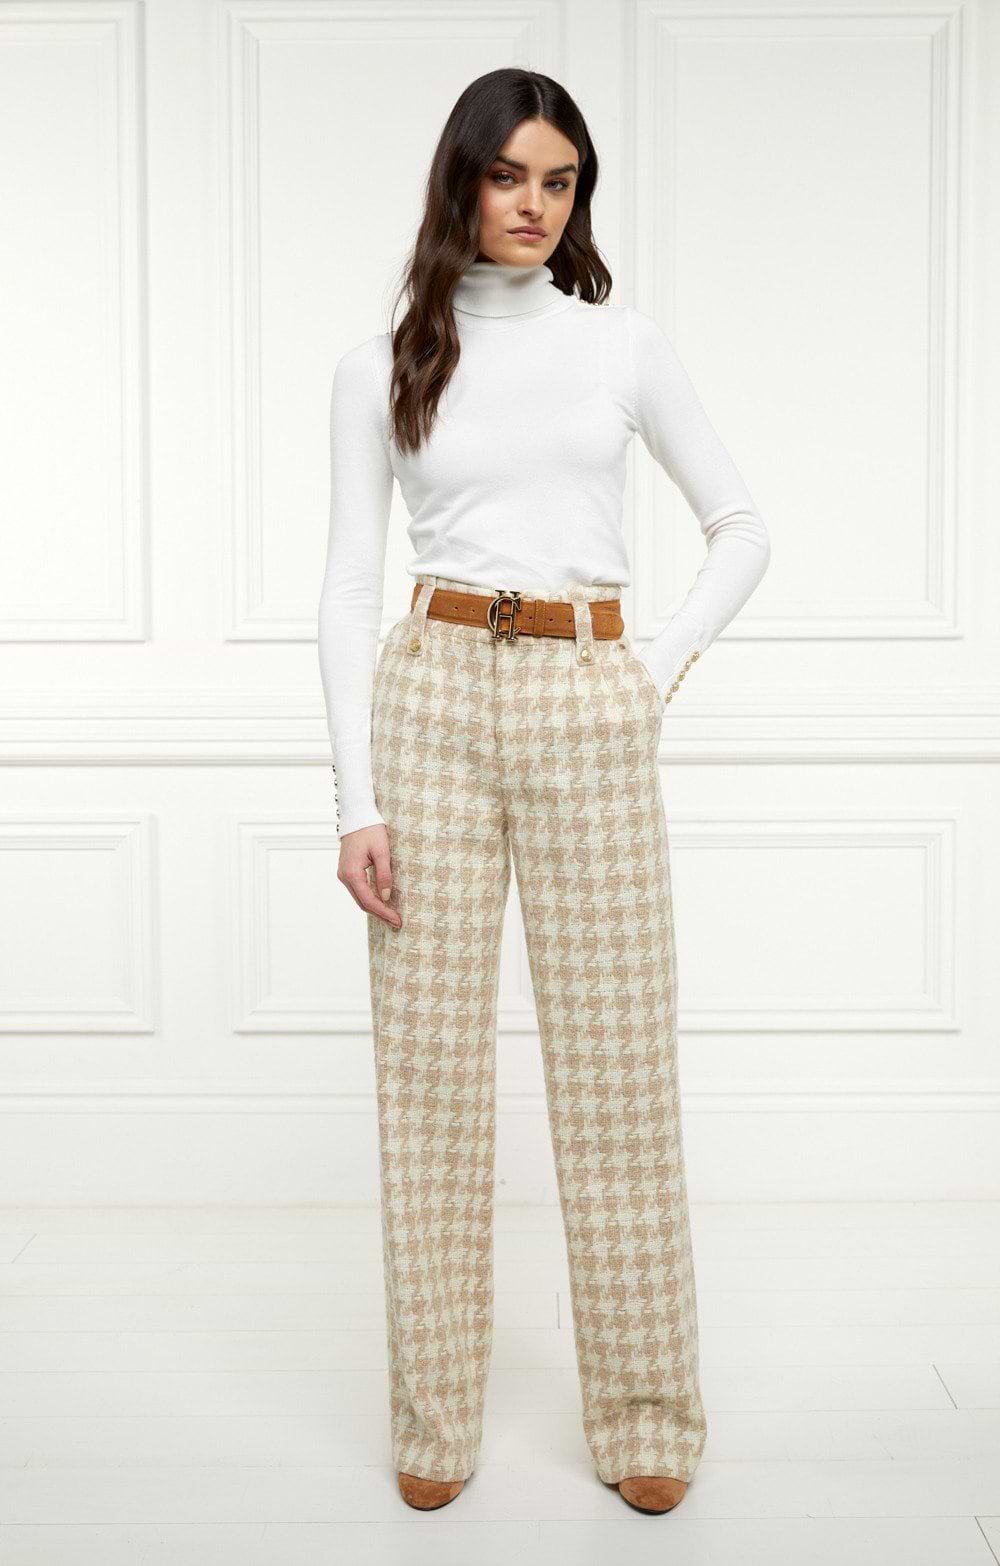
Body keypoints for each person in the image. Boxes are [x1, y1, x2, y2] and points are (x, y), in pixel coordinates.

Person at [317, 66, 770, 1516]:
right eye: (507, 175)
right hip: (431, 696)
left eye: (558, 180)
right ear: (460, 181)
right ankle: (435, 1414)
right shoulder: (385, 362)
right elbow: (347, 588)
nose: (533, 204)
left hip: (588, 694)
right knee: (430, 1081)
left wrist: (652, 671)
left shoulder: (621, 346)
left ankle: (646, 1411)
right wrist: (353, 800)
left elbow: (742, 527)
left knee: (618, 1069)